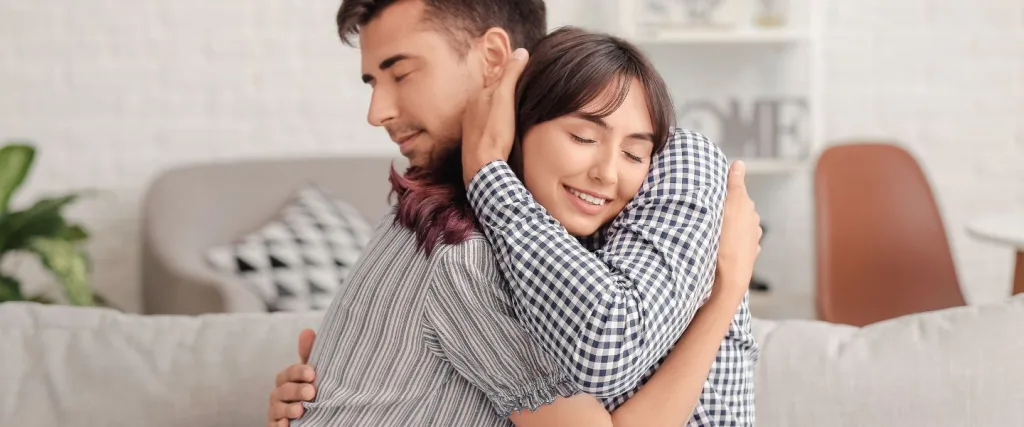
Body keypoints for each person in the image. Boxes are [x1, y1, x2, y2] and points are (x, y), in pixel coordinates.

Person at [269, 0, 759, 425]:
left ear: (493, 58)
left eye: (402, 73)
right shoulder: (467, 251)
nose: (376, 112)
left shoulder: (470, 219)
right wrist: (725, 291)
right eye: (374, 80)